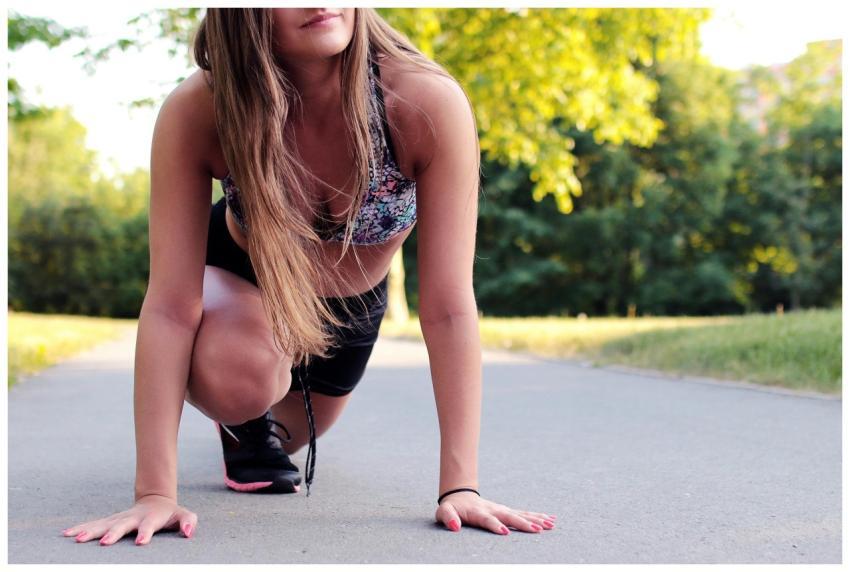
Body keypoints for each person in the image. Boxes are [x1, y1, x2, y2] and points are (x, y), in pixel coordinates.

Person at [62, 8, 556, 546]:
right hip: (244, 276)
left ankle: (249, 427)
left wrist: (460, 488)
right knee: (243, 380)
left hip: (350, 305)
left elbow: (449, 307)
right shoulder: (203, 107)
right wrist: (154, 493)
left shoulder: (423, 103)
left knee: (291, 438)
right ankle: (242, 409)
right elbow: (169, 307)